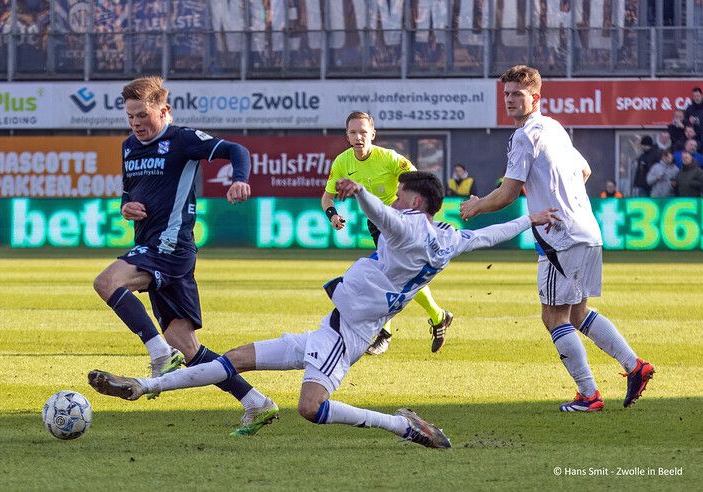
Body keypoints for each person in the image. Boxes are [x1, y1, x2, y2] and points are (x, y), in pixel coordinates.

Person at [88, 171, 561, 448]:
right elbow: (488, 236)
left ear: (416, 200)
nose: (396, 198)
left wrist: (362, 196)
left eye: (400, 193)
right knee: (232, 359)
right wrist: (530, 218)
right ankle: (144, 386)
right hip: (329, 328)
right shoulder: (449, 238)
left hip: (346, 336)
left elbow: (387, 216)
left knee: (310, 409)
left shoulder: (411, 228)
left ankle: (403, 427)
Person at [460, 65, 654, 412]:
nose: (509, 100)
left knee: (553, 317)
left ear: (535, 97)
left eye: (517, 94)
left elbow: (506, 194)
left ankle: (589, 394)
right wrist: (563, 194)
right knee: (577, 312)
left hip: (559, 236)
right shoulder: (554, 127)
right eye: (506, 94)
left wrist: (475, 207)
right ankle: (635, 366)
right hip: (587, 230)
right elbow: (584, 170)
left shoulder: (524, 135)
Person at [92, 76, 278, 436]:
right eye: (130, 117)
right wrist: (125, 206)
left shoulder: (182, 139)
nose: (136, 124)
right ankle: (256, 402)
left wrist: (238, 179)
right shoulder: (129, 146)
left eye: (142, 115)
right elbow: (129, 191)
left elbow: (237, 150)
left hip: (171, 246)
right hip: (153, 244)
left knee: (106, 282)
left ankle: (159, 355)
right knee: (188, 348)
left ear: (164, 111)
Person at [321, 111, 452, 356]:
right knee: (396, 273)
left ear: (372, 134)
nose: (358, 137)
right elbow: (327, 197)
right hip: (376, 222)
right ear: (347, 136)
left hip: (400, 219)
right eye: (353, 132)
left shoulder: (390, 158)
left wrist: (408, 206)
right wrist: (333, 215)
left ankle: (386, 333)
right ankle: (438, 316)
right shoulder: (342, 162)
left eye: (363, 132)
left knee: (390, 273)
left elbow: (418, 181)